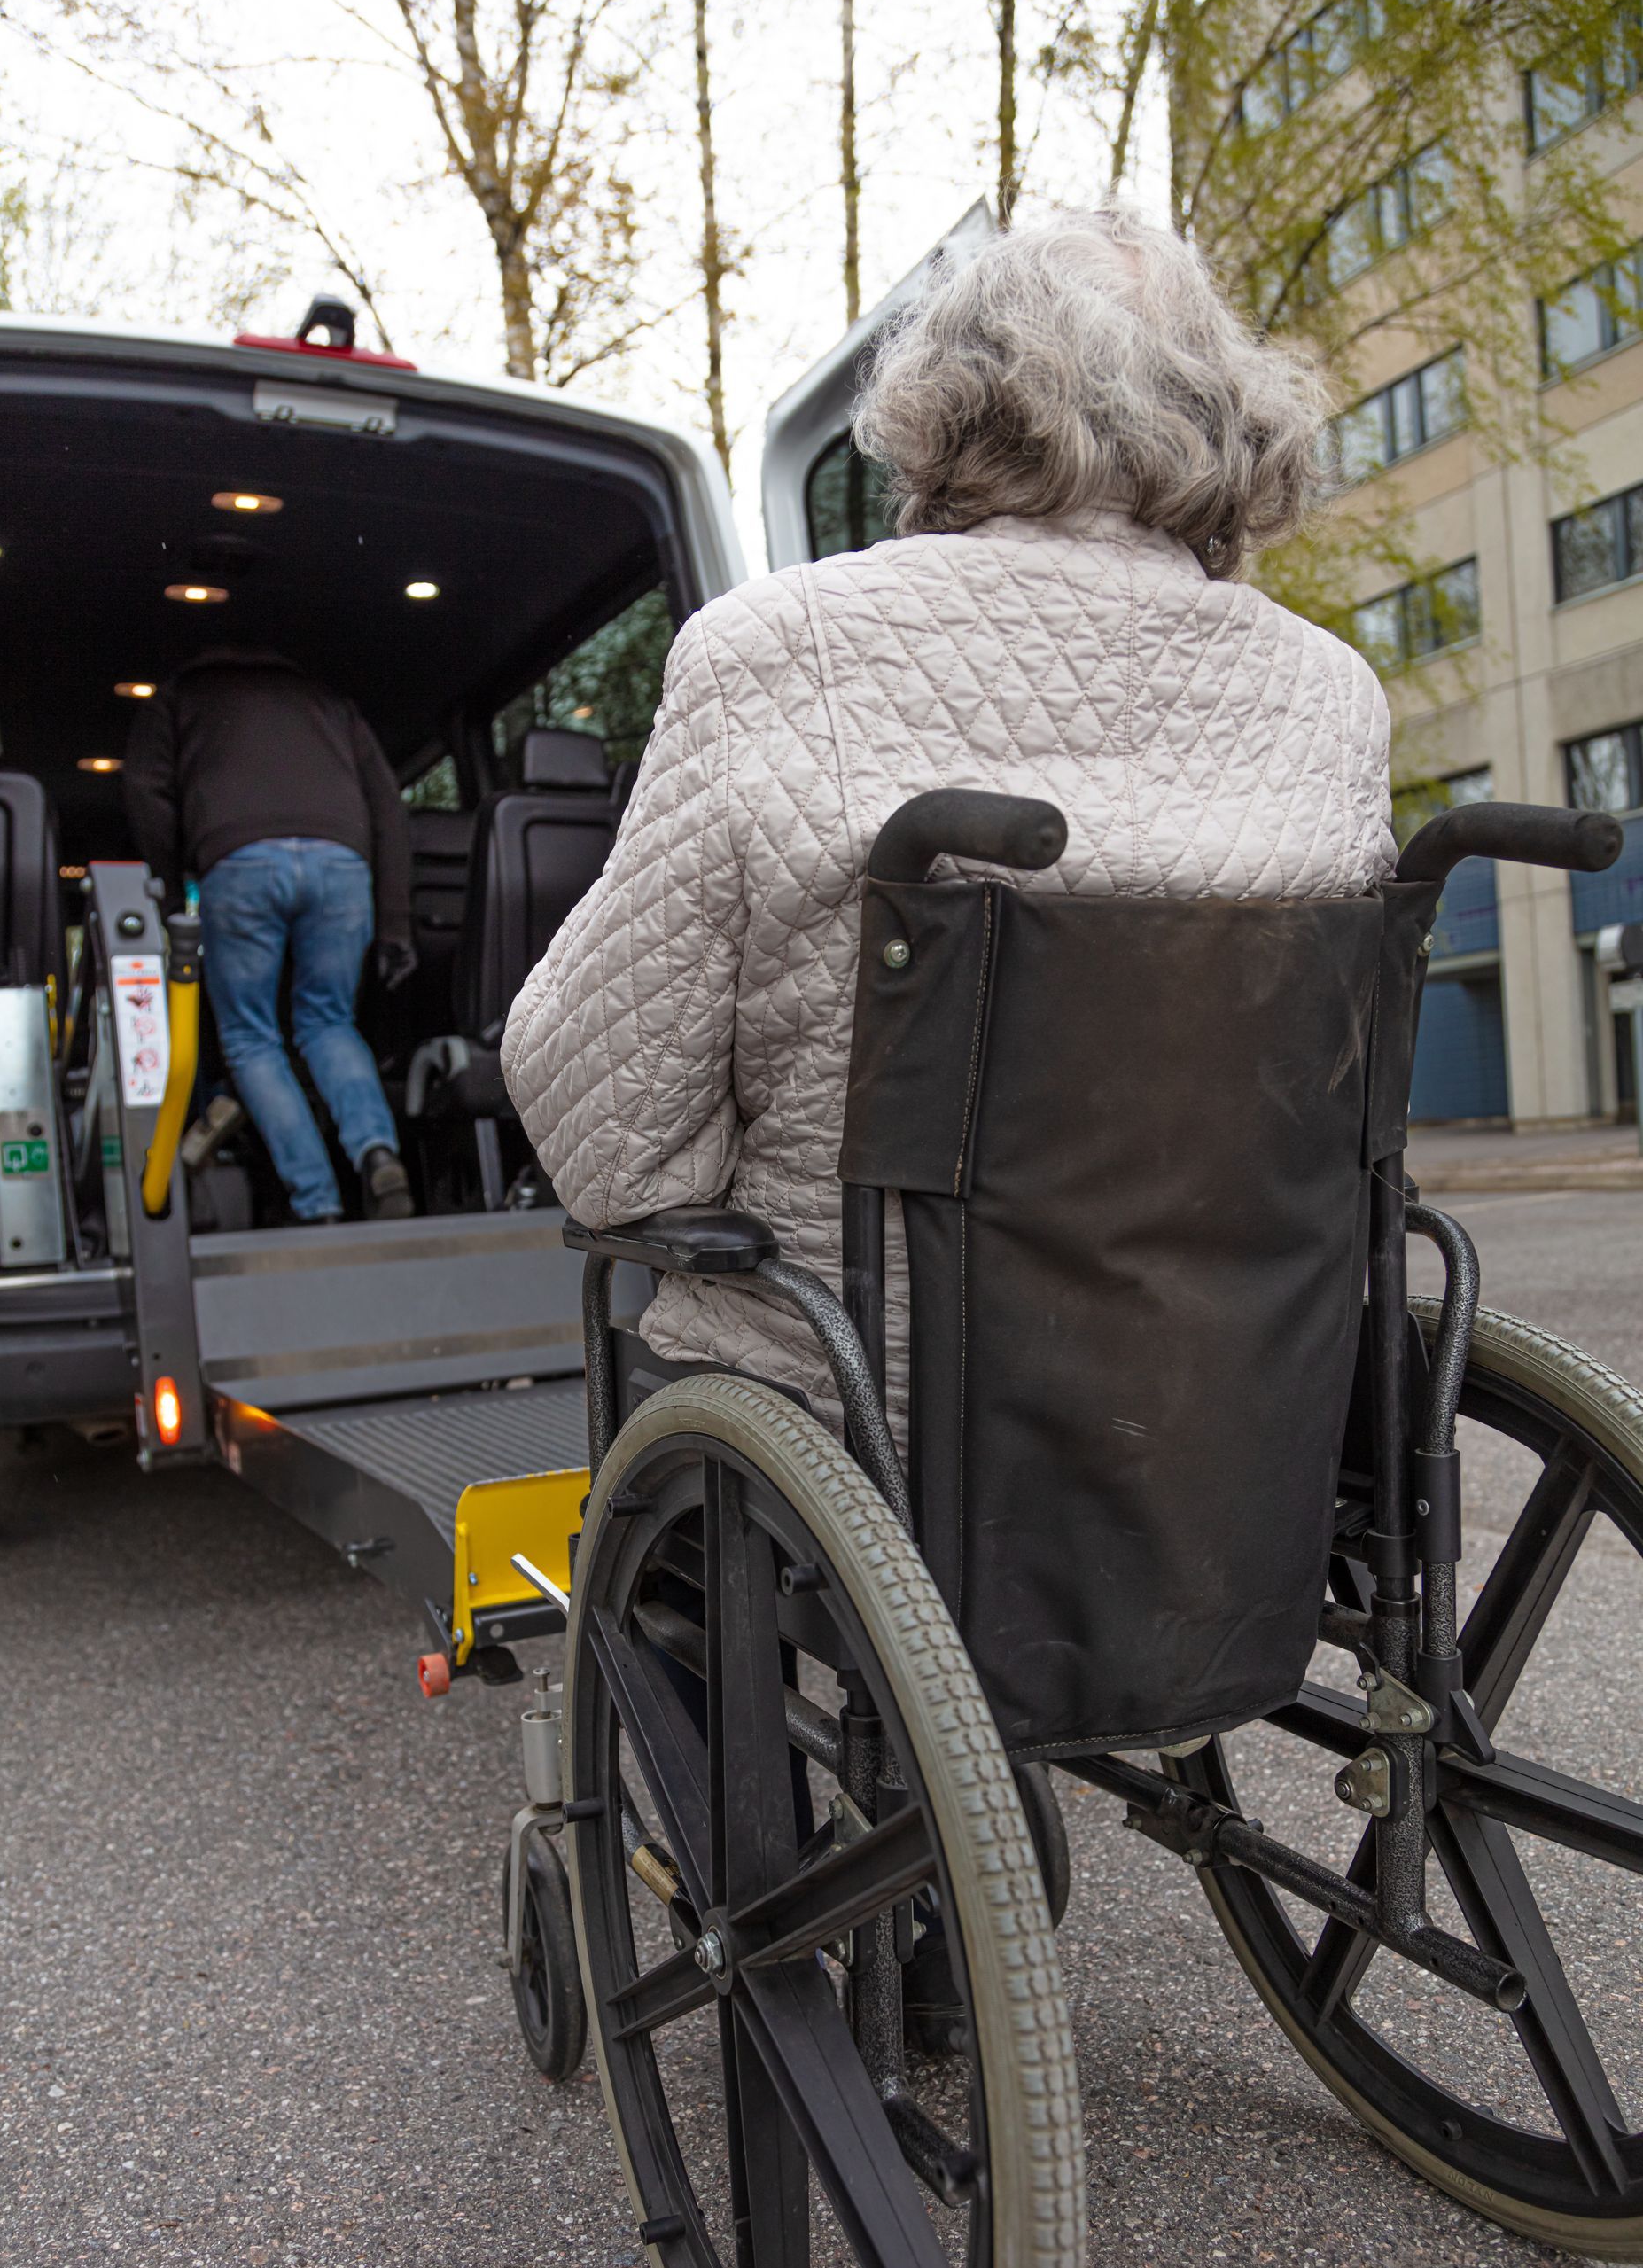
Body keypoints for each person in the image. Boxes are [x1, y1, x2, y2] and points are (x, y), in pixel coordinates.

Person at [502, 206, 1397, 1424]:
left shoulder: (781, 653)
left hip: (882, 1415)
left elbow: (614, 1141)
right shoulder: (1331, 696)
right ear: (1224, 415)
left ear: (950, 406)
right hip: (1232, 1412)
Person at [124, 646, 417, 1223]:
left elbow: (144, 790)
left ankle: (317, 1203)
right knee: (328, 1021)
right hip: (342, 863)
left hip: (238, 860)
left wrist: (169, 880)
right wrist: (394, 923)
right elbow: (388, 809)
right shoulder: (330, 704)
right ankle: (379, 1153)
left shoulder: (180, 695)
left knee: (251, 1039)